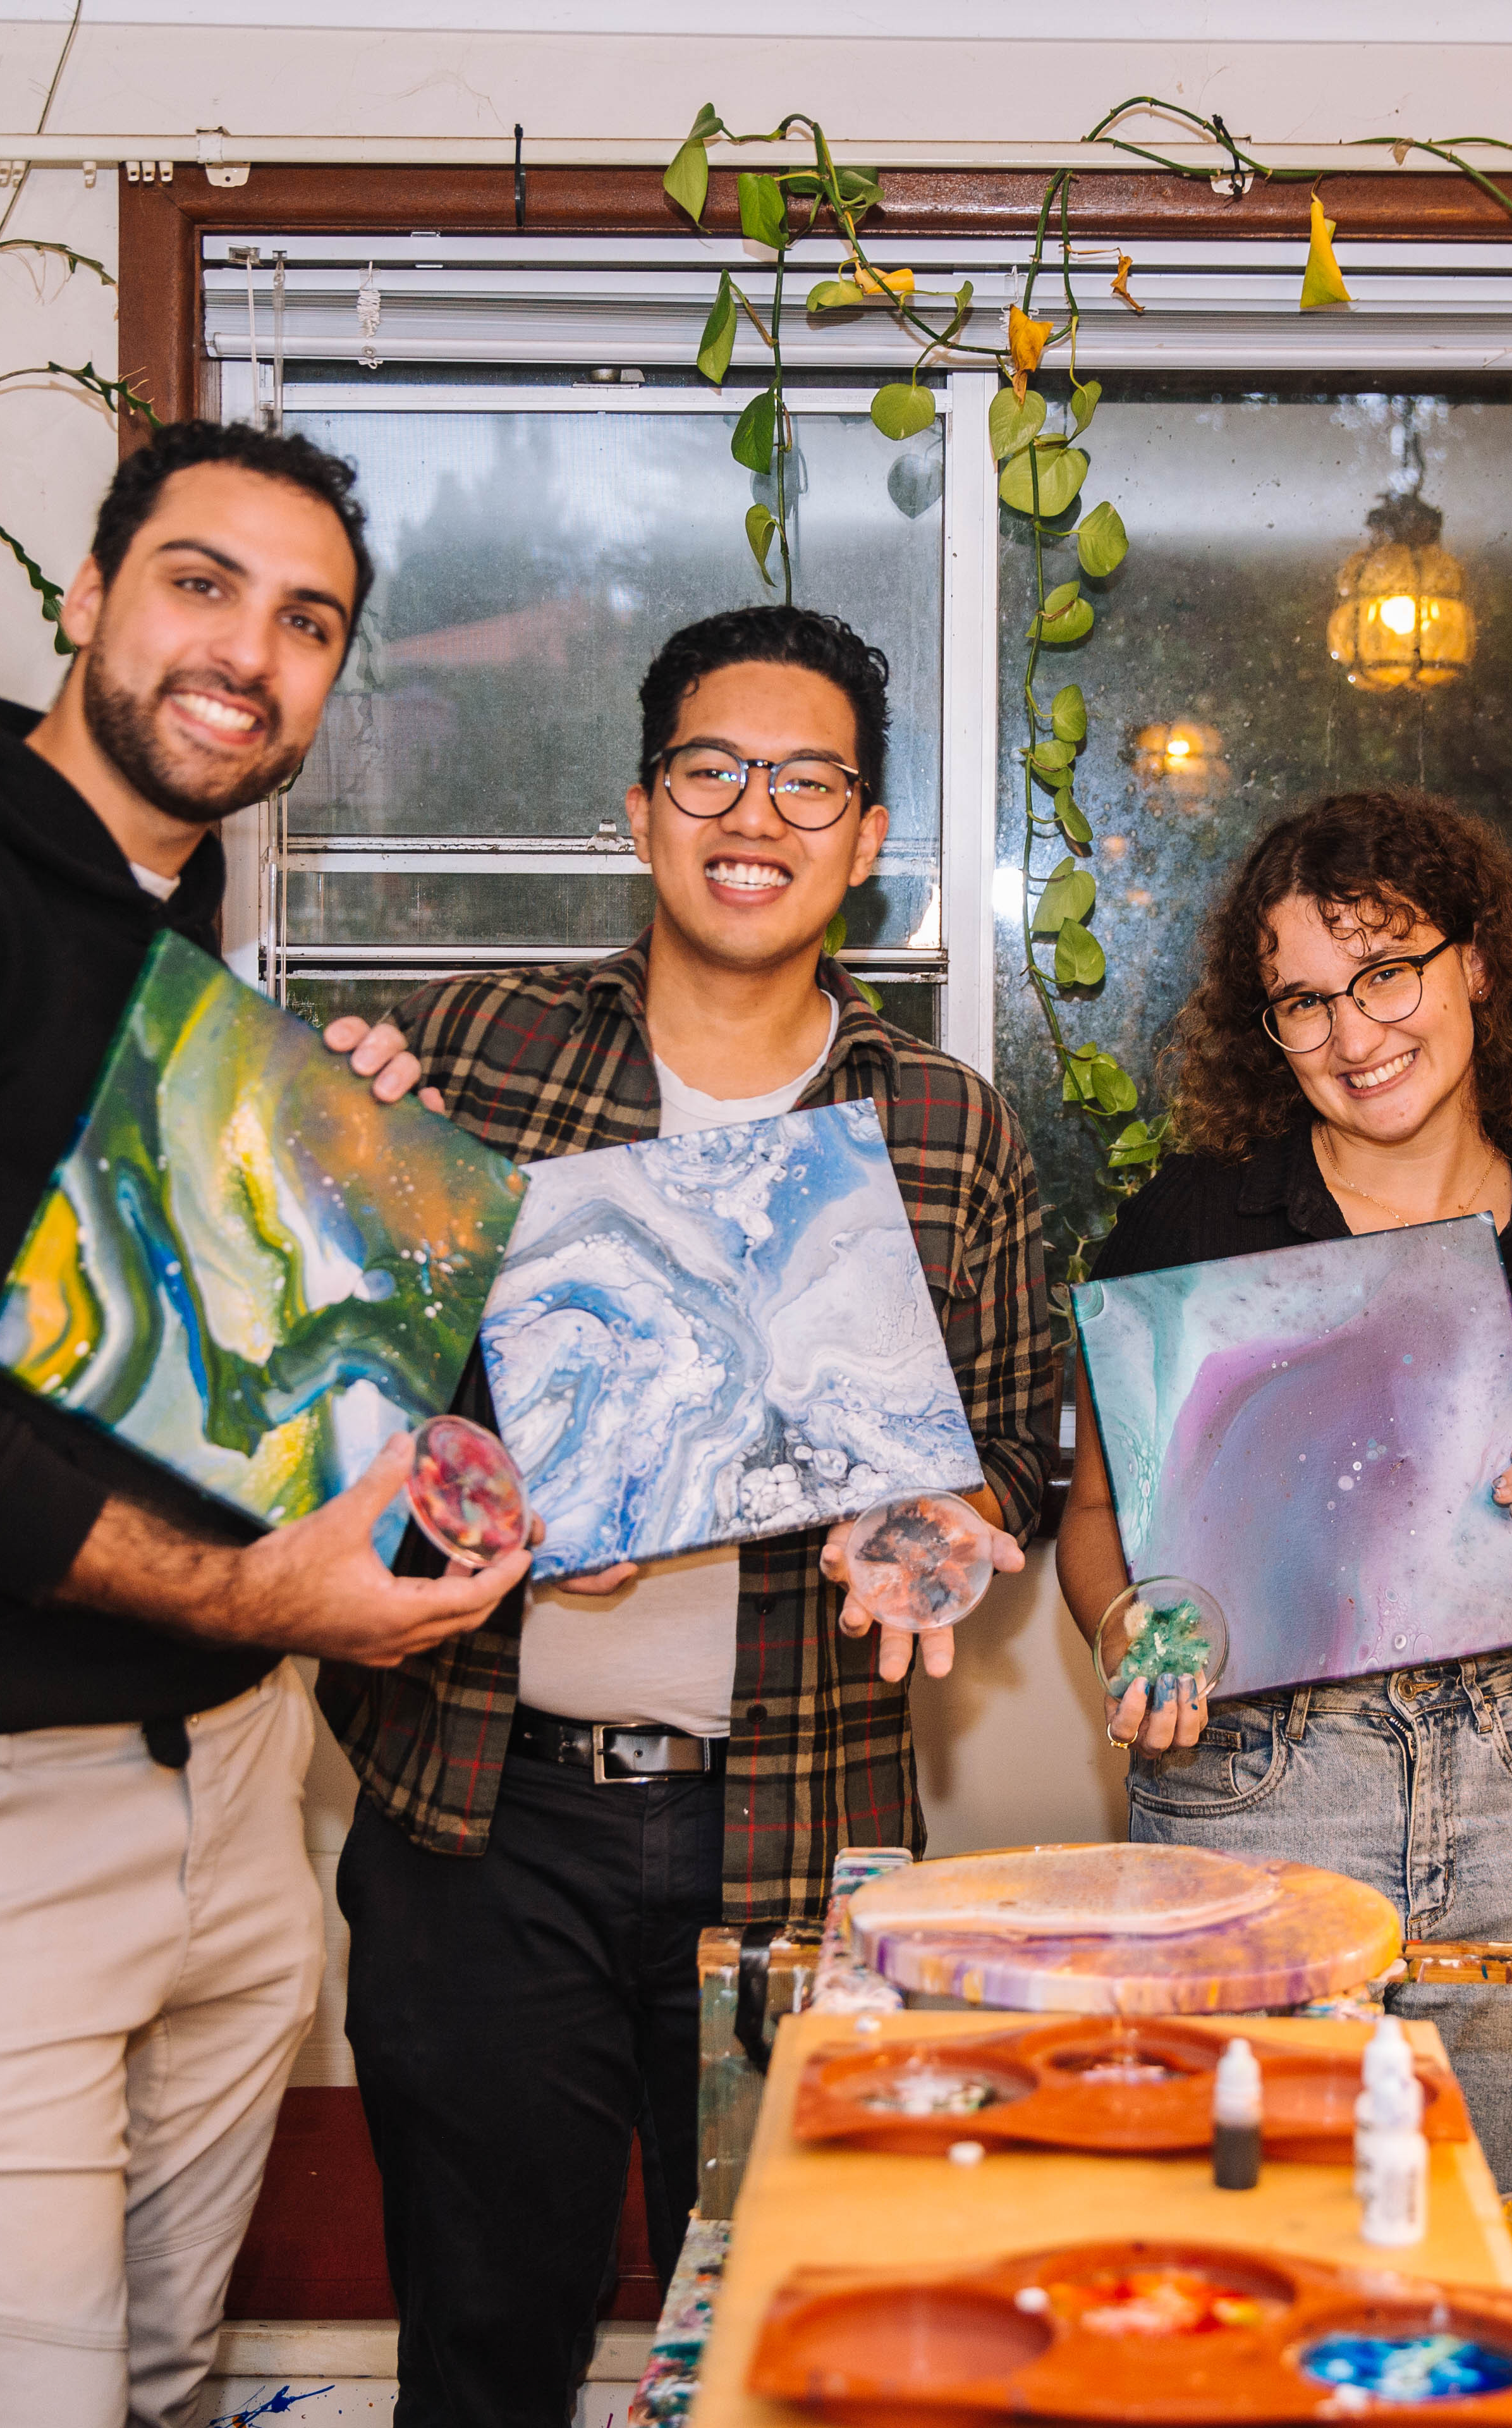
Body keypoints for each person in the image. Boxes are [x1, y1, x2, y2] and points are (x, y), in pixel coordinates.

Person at [0, 419, 533, 2427]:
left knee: (155, 2378)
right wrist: (248, 1599)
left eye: (308, 623)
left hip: (219, 1783)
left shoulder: (168, 950)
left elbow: (130, 1367)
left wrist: (318, 1166)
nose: (249, 652)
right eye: (200, 584)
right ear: (85, 598)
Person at [317, 603, 1062, 2425]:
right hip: (484, 1826)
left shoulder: (945, 1125)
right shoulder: (481, 1052)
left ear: (867, 839)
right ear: (644, 809)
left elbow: (1018, 1450)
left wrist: (941, 1520)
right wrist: (482, 1482)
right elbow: (338, 1398)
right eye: (712, 770)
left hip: (801, 1828)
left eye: (809, 783)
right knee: (483, 2357)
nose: (755, 816)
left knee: (798, 2358)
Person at [1051, 790, 1512, 2192]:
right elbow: (1097, 1523)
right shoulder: (1192, 1225)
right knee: (1251, 2246)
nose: (1354, 1034)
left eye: (1385, 972)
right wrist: (1133, 1631)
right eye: (1304, 1002)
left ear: (1477, 964)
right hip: (1253, 1789)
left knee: (1496, 2251)